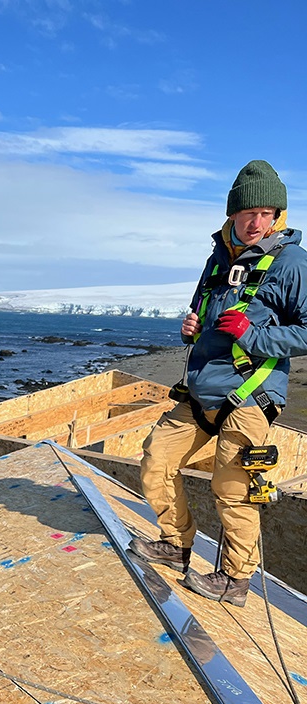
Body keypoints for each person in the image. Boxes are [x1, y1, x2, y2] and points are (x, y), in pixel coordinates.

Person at [130, 160, 307, 607]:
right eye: (249, 212)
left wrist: (252, 334)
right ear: (232, 212)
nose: (257, 222)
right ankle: (175, 545)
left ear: (278, 216)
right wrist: (191, 327)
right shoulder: (216, 258)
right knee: (155, 461)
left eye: (268, 213)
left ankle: (234, 579)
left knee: (232, 489)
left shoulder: (292, 263)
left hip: (249, 395)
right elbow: (202, 313)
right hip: (200, 389)